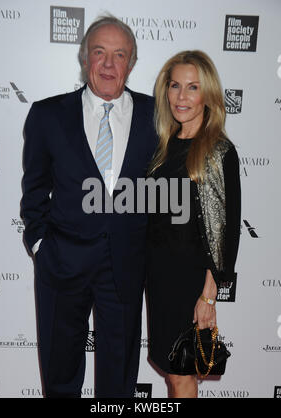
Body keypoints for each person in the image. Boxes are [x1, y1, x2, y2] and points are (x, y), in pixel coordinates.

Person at [21, 15, 157, 398]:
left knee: (119, 381)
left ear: (131, 63)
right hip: (62, 263)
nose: (109, 64)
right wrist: (40, 245)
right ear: (85, 59)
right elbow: (34, 192)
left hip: (127, 268)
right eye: (100, 53)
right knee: (60, 372)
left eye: (120, 55)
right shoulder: (48, 115)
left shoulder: (158, 116)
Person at [146, 50, 241, 398]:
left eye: (192, 87)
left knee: (183, 373)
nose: (181, 97)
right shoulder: (164, 146)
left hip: (190, 281)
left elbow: (226, 233)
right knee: (172, 373)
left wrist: (208, 296)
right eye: (174, 86)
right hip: (158, 276)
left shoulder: (217, 151)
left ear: (209, 95)